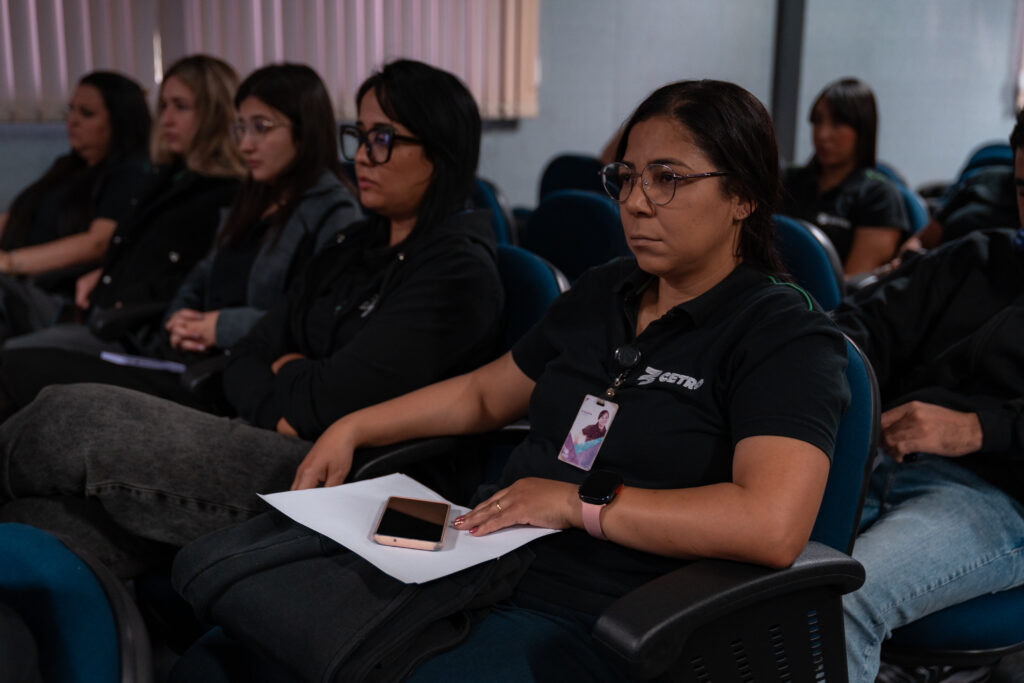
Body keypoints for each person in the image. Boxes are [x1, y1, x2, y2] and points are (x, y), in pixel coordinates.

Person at [171, 78, 851, 682]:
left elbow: (771, 523)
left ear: (744, 197)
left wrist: (574, 502)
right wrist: (354, 425)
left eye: (668, 178)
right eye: (627, 177)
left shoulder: (782, 334)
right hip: (484, 559)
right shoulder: (604, 291)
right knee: (220, 646)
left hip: (610, 608)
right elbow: (482, 394)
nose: (637, 203)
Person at [0, 59, 504, 579]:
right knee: (37, 522)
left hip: (332, 480)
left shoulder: (456, 272)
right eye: (358, 134)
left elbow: (326, 403)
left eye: (383, 137)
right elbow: (250, 353)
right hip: (264, 428)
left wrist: (285, 376)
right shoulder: (356, 243)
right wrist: (288, 383)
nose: (361, 157)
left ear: (441, 154)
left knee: (68, 415)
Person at [0, 63, 361, 411]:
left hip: (228, 375)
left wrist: (219, 327)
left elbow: (314, 321)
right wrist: (179, 320)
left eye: (261, 128)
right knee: (19, 367)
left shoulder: (332, 210)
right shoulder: (254, 197)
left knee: (20, 368)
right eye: (241, 129)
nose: (246, 144)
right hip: (180, 351)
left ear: (305, 130)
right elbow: (200, 275)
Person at [837, 110, 1024, 683]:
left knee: (838, 601)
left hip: (1002, 500)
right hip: (882, 462)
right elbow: (862, 325)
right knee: (740, 572)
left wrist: (977, 428)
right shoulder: (980, 257)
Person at [0, 55, 244, 351]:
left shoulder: (215, 192)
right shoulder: (163, 177)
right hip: (97, 309)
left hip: (110, 320)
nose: (166, 118)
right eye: (163, 106)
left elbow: (103, 245)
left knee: (15, 358)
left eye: (180, 107)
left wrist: (12, 263)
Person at [0, 72, 150, 325]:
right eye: (71, 111)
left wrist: (12, 263)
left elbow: (98, 243)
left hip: (48, 293)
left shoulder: (129, 173)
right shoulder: (67, 166)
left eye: (87, 114)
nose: (73, 121)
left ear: (119, 120)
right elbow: (16, 216)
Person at [782, 78, 909, 277]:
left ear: (862, 130)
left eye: (838, 123)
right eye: (817, 121)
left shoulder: (879, 197)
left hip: (826, 306)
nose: (822, 134)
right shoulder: (787, 180)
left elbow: (850, 287)